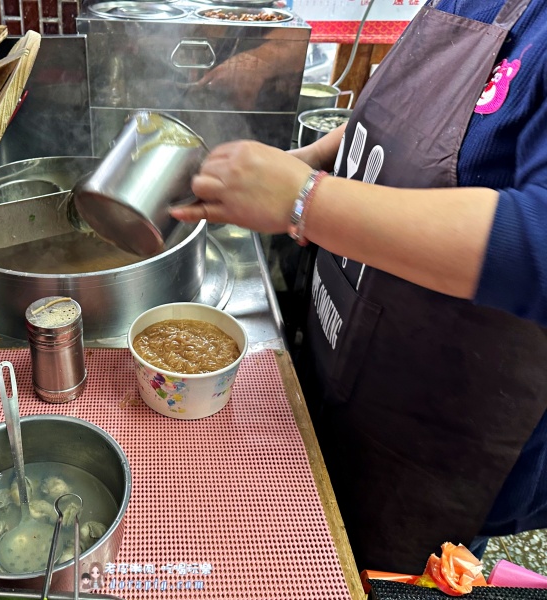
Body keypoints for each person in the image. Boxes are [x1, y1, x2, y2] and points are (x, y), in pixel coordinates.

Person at [170, 0, 547, 574]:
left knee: (410, 568)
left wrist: (307, 201)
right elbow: (413, 119)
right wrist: (308, 162)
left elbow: (538, 243)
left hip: (445, 426)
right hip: (351, 357)